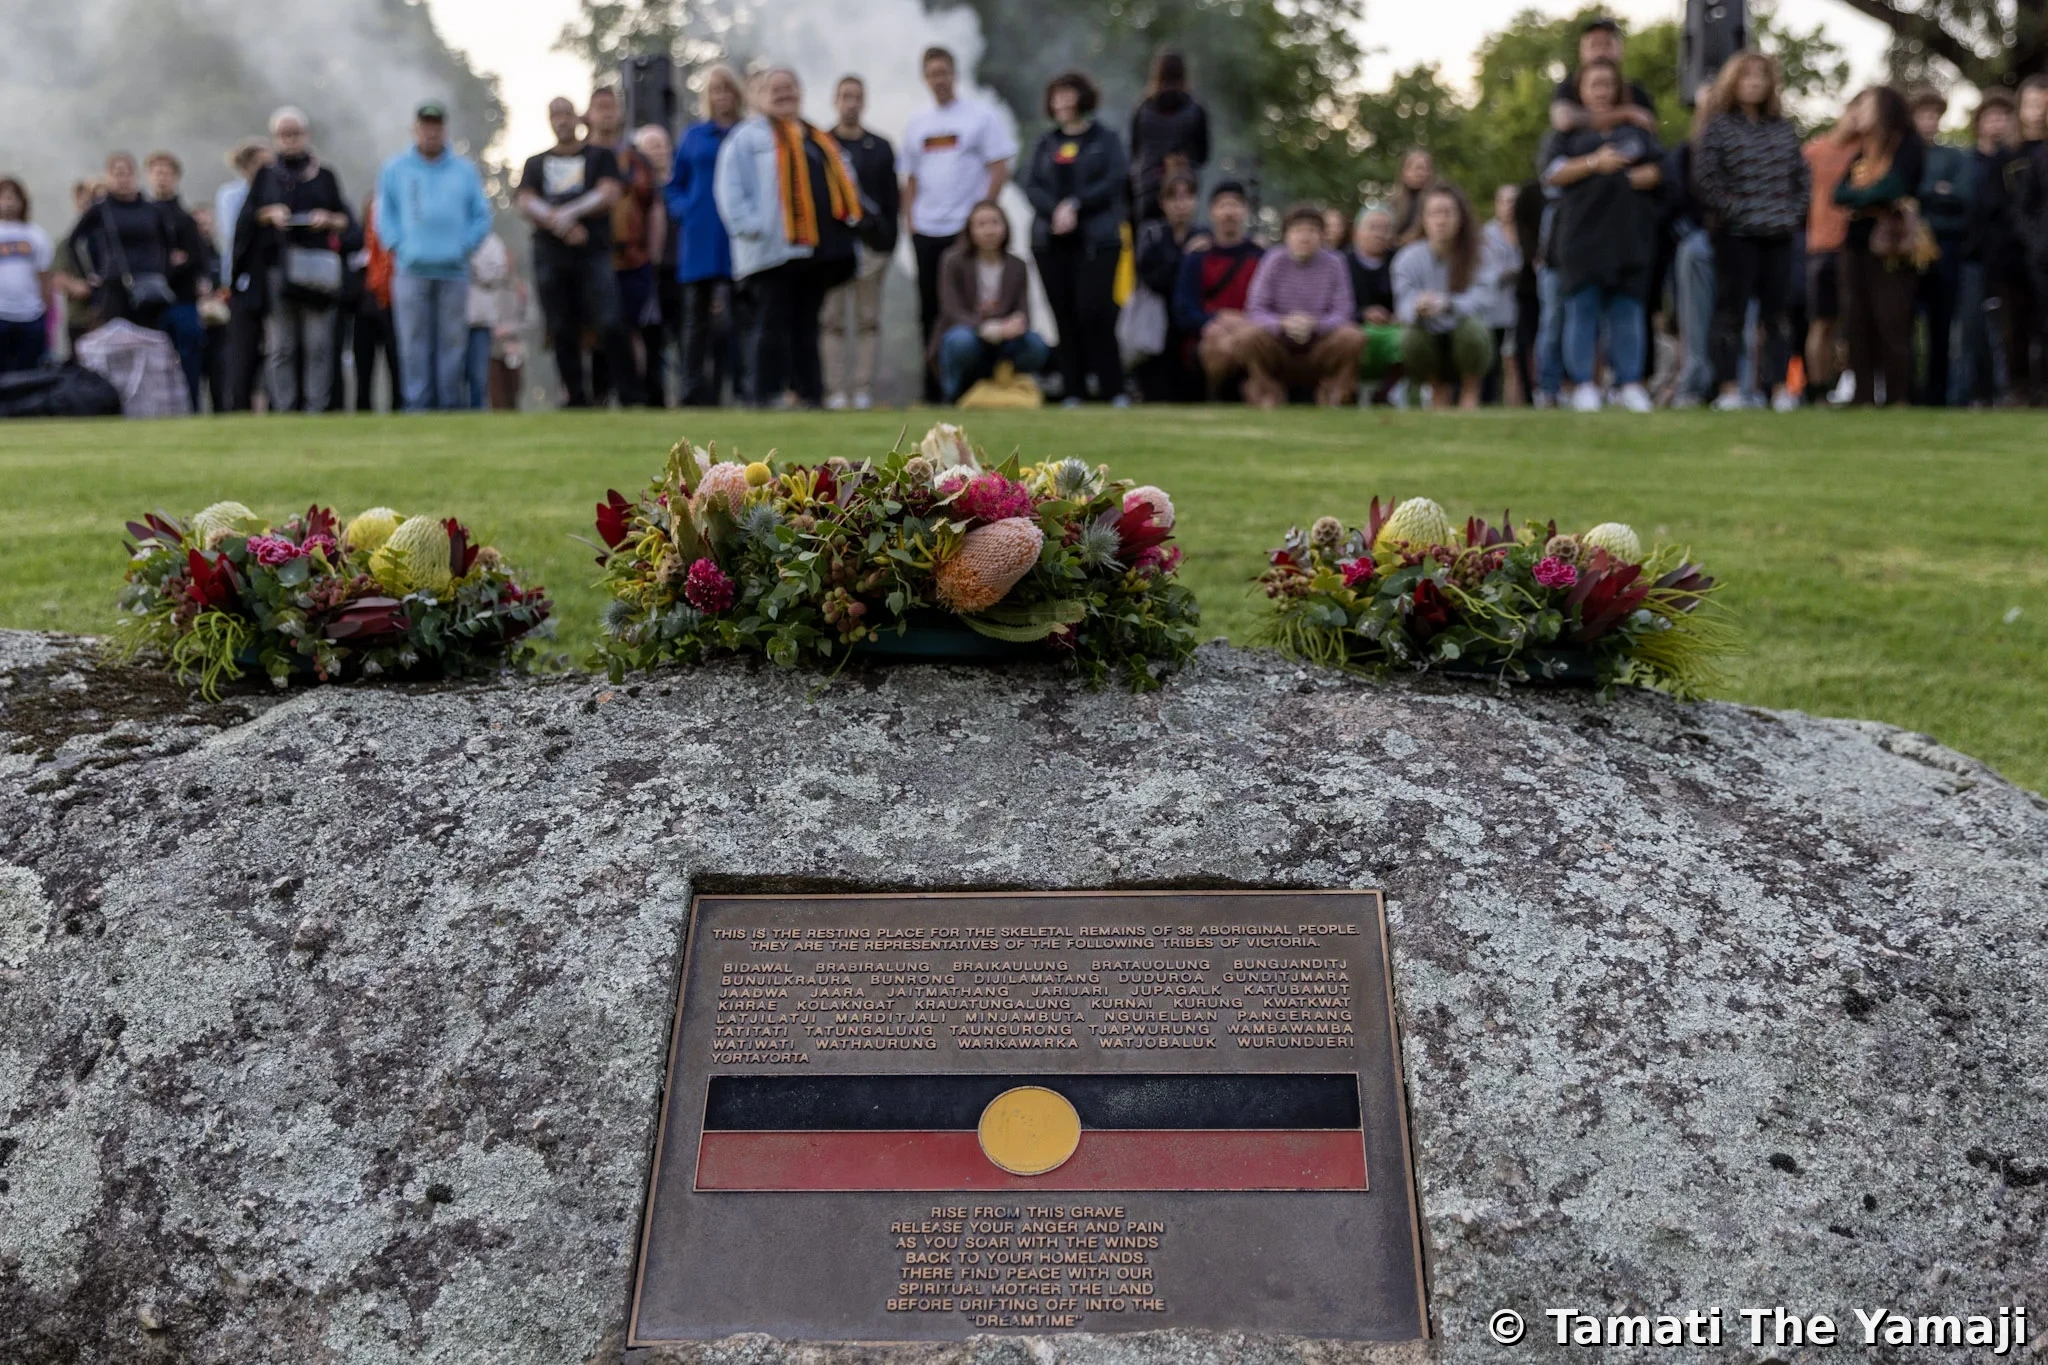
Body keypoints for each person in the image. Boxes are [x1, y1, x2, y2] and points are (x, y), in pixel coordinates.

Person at [714, 66, 863, 408]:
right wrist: (750, 227)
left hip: (811, 250)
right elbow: (729, 189)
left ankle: (810, 393)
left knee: (807, 325)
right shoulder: (747, 137)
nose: (784, 94)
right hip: (767, 249)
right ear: (759, 96)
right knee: (770, 323)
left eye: (790, 87)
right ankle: (764, 394)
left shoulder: (816, 137)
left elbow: (846, 178)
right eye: (775, 89)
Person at [1543, 60, 1663, 412]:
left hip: (1628, 238)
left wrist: (1637, 177)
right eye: (1594, 84)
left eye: (1608, 84)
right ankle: (1582, 385)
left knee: (1628, 313)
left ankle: (1629, 383)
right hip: (1581, 241)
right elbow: (1551, 174)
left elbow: (1660, 170)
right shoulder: (1565, 136)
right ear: (1582, 90)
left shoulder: (1637, 132)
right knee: (1581, 312)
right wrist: (1594, 164)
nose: (1601, 91)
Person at [900, 46, 1017, 402]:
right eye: (932, 73)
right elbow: (910, 178)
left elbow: (999, 165)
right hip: (927, 229)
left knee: (968, 309)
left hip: (964, 230)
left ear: (954, 73)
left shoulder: (980, 117)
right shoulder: (917, 124)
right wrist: (910, 223)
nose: (939, 79)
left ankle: (971, 387)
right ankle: (932, 389)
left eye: (944, 72)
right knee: (930, 310)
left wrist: (984, 212)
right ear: (925, 78)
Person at [1695, 51, 1808, 412]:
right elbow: (1706, 179)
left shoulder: (1783, 128)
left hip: (1779, 234)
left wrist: (1791, 214)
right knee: (1730, 313)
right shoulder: (1718, 128)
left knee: (1777, 316)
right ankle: (1727, 389)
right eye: (1747, 76)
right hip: (1736, 236)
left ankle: (1778, 390)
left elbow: (1802, 178)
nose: (1755, 83)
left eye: (1761, 76)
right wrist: (1736, 211)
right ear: (1733, 82)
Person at [1020, 70, 1129, 406]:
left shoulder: (1105, 139)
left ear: (1083, 97)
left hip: (1097, 240)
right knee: (1063, 315)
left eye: (1068, 94)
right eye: (1056, 95)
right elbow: (1030, 184)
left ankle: (1114, 389)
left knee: (1094, 311)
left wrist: (1076, 206)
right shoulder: (1044, 144)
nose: (1062, 101)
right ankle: (1073, 390)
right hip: (1052, 243)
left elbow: (1115, 178)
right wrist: (1055, 210)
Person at [236, 108, 353, 413]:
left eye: (295, 133)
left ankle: (316, 407)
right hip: (279, 270)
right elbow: (246, 220)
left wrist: (326, 218)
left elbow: (348, 221)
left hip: (317, 274)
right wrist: (268, 213)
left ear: (306, 135)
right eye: (283, 134)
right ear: (275, 138)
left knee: (318, 345)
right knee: (280, 346)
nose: (289, 140)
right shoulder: (266, 175)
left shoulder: (324, 175)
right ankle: (284, 408)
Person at [377, 102, 491, 412]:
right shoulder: (395, 169)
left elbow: (481, 216)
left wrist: (464, 246)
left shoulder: (464, 171)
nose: (431, 132)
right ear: (415, 129)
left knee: (452, 344)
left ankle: (449, 406)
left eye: (436, 126)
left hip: (454, 271)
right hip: (411, 270)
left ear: (445, 129)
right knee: (414, 343)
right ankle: (417, 407)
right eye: (425, 125)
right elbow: (384, 214)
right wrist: (399, 245)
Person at [517, 95, 627, 408]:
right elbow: (525, 200)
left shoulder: (600, 157)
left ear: (578, 118)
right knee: (561, 326)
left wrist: (569, 214)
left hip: (593, 253)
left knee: (606, 322)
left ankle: (609, 393)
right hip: (551, 255)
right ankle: (575, 397)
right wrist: (560, 223)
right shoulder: (535, 163)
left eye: (567, 114)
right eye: (555, 115)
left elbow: (609, 192)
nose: (562, 120)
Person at [1834, 85, 1925, 406]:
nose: (1859, 112)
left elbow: (1894, 187)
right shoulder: (1862, 152)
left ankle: (1899, 395)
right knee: (1856, 321)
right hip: (1855, 245)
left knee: (1892, 319)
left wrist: (1865, 196)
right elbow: (1838, 194)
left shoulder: (1907, 145)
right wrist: (1868, 196)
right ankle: (1863, 396)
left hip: (1891, 247)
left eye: (1866, 105)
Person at [1231, 202, 1362, 408]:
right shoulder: (1273, 260)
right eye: (1298, 230)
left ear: (1322, 235)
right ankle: (1265, 390)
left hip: (1321, 343)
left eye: (1312, 231)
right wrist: (1282, 324)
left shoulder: (1336, 262)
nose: (1305, 236)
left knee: (1353, 337)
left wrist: (1315, 324)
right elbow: (1256, 309)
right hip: (1279, 344)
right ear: (1286, 235)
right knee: (1247, 337)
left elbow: (1343, 311)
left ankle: (1336, 391)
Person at [821, 75, 899, 411]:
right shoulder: (821, 145)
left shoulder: (880, 147)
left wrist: (888, 243)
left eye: (856, 97)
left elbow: (892, 201)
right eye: (845, 96)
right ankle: (835, 391)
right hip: (833, 248)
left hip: (871, 248)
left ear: (863, 101)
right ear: (834, 100)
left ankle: (863, 389)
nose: (850, 103)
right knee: (832, 320)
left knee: (868, 320)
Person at [667, 65, 743, 407]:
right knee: (695, 319)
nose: (721, 97)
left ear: (736, 95)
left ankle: (742, 387)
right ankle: (693, 391)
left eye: (727, 90)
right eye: (715, 91)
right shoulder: (693, 136)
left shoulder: (747, 134)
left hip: (738, 236)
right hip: (699, 235)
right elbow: (674, 184)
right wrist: (685, 209)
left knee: (740, 315)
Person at [931, 200, 1049, 401]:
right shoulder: (953, 261)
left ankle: (1007, 384)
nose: (989, 231)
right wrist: (983, 328)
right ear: (970, 230)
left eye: (995, 223)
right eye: (981, 224)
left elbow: (1024, 311)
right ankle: (952, 395)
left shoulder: (1018, 265)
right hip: (968, 332)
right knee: (960, 341)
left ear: (1005, 227)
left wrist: (1013, 325)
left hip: (1005, 337)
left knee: (1035, 345)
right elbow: (951, 309)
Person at [587, 86, 660, 408]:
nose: (605, 112)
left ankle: (636, 396)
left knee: (633, 329)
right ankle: (598, 394)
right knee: (596, 331)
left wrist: (653, 255)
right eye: (599, 106)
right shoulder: (581, 157)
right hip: (590, 258)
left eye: (611, 106)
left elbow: (654, 206)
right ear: (588, 114)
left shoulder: (636, 160)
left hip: (633, 258)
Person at [1392, 184, 1495, 409]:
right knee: (1409, 337)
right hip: (1428, 335)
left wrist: (1448, 304)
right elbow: (1402, 304)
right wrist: (1417, 305)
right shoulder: (1407, 258)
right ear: (1424, 219)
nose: (1441, 220)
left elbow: (1485, 299)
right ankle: (1437, 390)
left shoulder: (1481, 255)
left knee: (1472, 331)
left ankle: (1470, 391)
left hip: (1467, 337)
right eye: (1434, 213)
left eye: (1447, 212)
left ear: (1461, 217)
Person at [1172, 180, 1265, 398]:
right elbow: (1183, 310)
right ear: (1212, 212)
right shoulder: (1197, 257)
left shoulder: (1260, 257)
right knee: (1218, 346)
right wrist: (1213, 320)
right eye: (1223, 206)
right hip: (1209, 338)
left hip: (1252, 332)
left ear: (1245, 211)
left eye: (1235, 205)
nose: (1229, 212)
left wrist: (1246, 323)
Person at [69, 152, 179, 331]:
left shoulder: (152, 209)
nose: (123, 179)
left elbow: (167, 244)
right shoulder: (101, 209)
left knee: (150, 337)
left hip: (149, 285)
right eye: (118, 174)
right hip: (114, 284)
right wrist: (87, 274)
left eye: (127, 173)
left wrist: (163, 271)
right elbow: (74, 240)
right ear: (109, 177)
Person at [1910, 89, 1971, 406]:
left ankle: (1938, 393)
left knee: (1942, 323)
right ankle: (1906, 390)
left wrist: (1928, 194)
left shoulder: (1954, 156)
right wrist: (1937, 190)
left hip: (1946, 246)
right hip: (1908, 248)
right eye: (1923, 114)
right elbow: (1910, 190)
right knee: (1905, 322)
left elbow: (1963, 195)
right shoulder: (1904, 154)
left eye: (1935, 115)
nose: (1929, 121)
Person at [1960, 94, 2019, 405]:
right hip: (1972, 256)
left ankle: (2005, 391)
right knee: (1973, 330)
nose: (1998, 122)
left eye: (2004, 116)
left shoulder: (2016, 160)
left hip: (2008, 256)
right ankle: (1974, 393)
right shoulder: (1966, 162)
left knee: (2008, 328)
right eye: (1991, 117)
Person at [144, 152, 212, 411]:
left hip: (182, 300)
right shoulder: (143, 215)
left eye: (167, 173)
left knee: (189, 356)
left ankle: (190, 406)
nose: (162, 178)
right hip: (151, 303)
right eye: (157, 173)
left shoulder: (185, 219)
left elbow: (197, 257)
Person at [1802, 112, 1861, 404]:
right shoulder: (1814, 151)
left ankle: (1850, 386)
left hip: (1854, 247)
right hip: (1819, 247)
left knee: (1852, 323)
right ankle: (1818, 389)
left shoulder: (1865, 152)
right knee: (1821, 322)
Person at [1132, 172, 1206, 402]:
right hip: (1157, 319)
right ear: (1163, 203)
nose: (1181, 205)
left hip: (1190, 321)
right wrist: (1186, 258)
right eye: (1174, 198)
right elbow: (1150, 275)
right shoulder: (1151, 234)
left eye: (1187, 197)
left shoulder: (1205, 236)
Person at [214, 139, 269, 411]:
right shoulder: (230, 194)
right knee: (242, 348)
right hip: (240, 281)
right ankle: (238, 404)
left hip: (266, 279)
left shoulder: (273, 192)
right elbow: (234, 234)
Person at [1128, 49, 1209, 223]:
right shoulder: (1196, 110)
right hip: (1183, 192)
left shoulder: (1142, 109)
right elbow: (1203, 155)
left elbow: (1134, 152)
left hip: (1147, 188)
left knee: (1147, 241)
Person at [1550, 17, 1659, 136]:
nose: (1601, 52)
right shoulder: (1568, 88)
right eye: (1594, 45)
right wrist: (1627, 113)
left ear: (1620, 49)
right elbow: (1563, 120)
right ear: (1581, 51)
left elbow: (1650, 129)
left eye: (1608, 44)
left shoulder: (1636, 92)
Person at [634, 124, 676, 407]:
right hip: (647, 272)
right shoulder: (636, 191)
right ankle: (653, 398)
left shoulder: (680, 186)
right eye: (651, 145)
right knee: (651, 339)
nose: (658, 150)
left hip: (680, 272)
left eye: (662, 144)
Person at [1346, 206, 1403, 401]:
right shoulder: (1342, 263)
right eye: (1373, 227)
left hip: (1395, 328)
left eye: (1385, 228)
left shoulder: (1400, 261)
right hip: (1354, 326)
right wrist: (1362, 314)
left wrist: (1401, 314)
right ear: (1356, 232)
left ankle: (1386, 393)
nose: (1379, 234)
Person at [352, 191, 400, 410]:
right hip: (363, 310)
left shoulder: (391, 242)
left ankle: (399, 405)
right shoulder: (356, 239)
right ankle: (363, 407)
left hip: (389, 304)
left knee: (395, 362)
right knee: (363, 365)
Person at [0, 178, 52, 376]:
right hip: (1, 314)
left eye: (13, 197)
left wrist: (46, 311)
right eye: (4, 197)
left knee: (28, 373)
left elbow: (44, 276)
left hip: (30, 314)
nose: (8, 203)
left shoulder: (36, 235)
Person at [51, 180, 105, 354]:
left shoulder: (112, 242)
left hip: (109, 319)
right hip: (80, 319)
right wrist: (79, 287)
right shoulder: (67, 242)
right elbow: (58, 277)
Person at [1480, 185, 1522, 402]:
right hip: (1494, 309)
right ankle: (1490, 400)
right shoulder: (1486, 234)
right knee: (1493, 360)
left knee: (1515, 361)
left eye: (1514, 202)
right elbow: (1486, 273)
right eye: (1504, 201)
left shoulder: (1527, 231)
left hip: (1521, 306)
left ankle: (1517, 404)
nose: (1509, 207)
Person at [465, 230, 513, 409]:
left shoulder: (490, 240)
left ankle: (477, 414)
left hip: (481, 320)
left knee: (479, 377)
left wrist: (471, 265)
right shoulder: (448, 233)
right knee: (452, 376)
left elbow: (498, 271)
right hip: (452, 323)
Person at [1386, 149, 1435, 244]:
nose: (1422, 173)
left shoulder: (1434, 200)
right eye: (1418, 168)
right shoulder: (1393, 201)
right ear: (1405, 171)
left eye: (1426, 169)